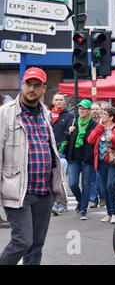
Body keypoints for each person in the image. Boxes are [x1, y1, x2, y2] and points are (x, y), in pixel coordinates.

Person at [0, 67, 66, 265]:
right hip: (18, 190)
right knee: (23, 241)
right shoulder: (5, 114)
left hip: (43, 192)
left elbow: (49, 147)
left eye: (37, 85)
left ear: (44, 89)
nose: (32, 89)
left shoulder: (45, 114)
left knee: (36, 245)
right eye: (29, 84)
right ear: (22, 84)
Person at [88, 107, 115, 224]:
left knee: (110, 185)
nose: (102, 115)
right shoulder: (100, 128)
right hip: (101, 162)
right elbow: (90, 140)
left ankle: (114, 213)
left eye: (105, 114)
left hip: (113, 162)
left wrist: (113, 138)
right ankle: (108, 212)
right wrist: (99, 126)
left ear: (111, 117)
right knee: (104, 188)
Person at [65, 99, 97, 220]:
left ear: (89, 110)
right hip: (74, 158)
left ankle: (83, 209)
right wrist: (68, 132)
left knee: (86, 184)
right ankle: (80, 200)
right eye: (80, 108)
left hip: (87, 159)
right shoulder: (73, 122)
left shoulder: (94, 125)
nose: (81, 110)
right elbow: (66, 138)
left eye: (84, 109)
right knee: (72, 183)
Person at [50, 92, 75, 215]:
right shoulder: (49, 115)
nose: (59, 102)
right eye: (57, 100)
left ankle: (63, 202)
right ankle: (54, 202)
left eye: (61, 100)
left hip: (62, 152)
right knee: (51, 179)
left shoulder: (70, 116)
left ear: (64, 102)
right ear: (53, 102)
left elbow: (69, 135)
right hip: (49, 152)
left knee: (62, 179)